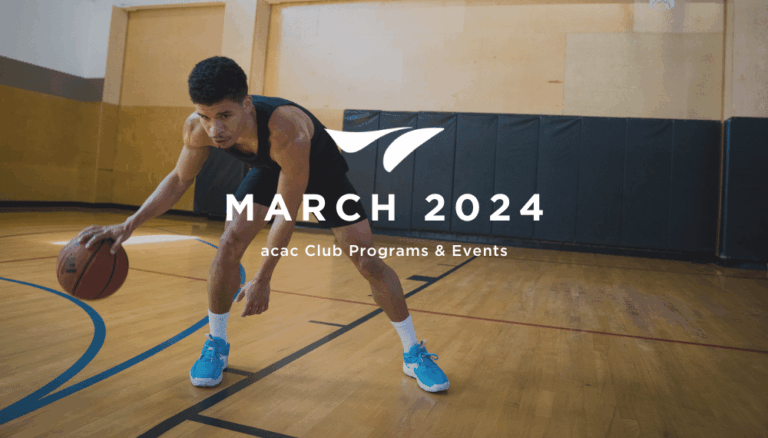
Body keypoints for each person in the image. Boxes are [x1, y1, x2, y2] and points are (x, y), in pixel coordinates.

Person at [77, 56, 449, 393]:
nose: (214, 129)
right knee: (228, 243)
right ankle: (216, 344)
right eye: (205, 116)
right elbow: (178, 180)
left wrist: (263, 276)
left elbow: (288, 211)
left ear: (246, 105)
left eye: (224, 115)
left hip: (320, 172)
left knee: (367, 262)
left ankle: (413, 353)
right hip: (267, 168)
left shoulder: (287, 130)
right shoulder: (197, 128)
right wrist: (130, 223)